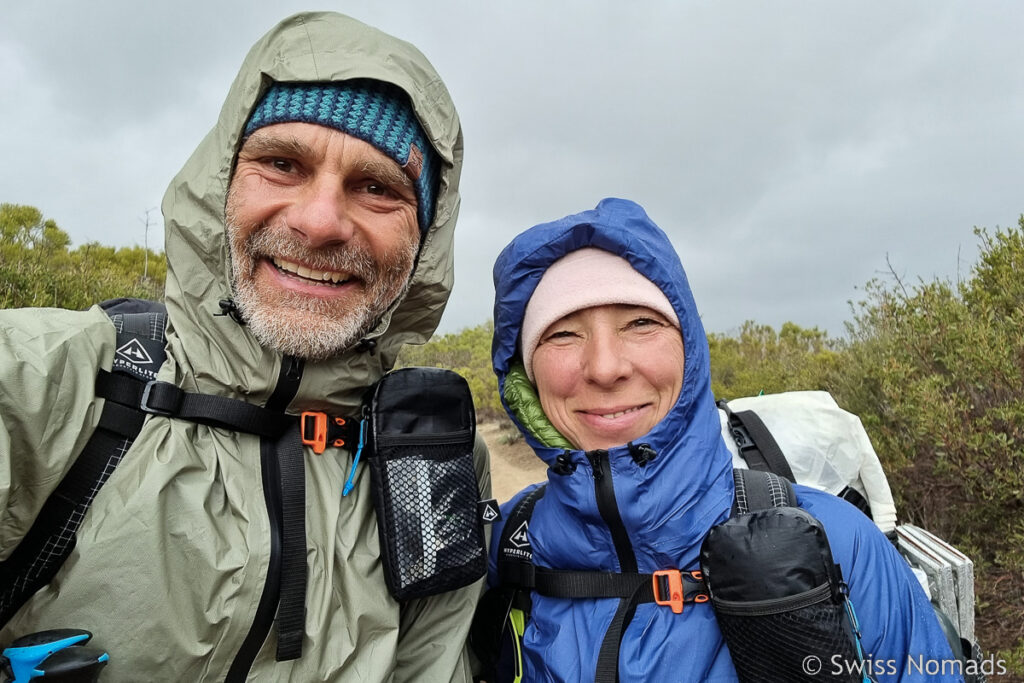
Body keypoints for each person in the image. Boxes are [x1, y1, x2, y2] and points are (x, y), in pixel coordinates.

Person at [0, 12, 489, 681]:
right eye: (283, 164)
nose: (319, 221)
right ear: (221, 180)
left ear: (424, 239)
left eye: (378, 187)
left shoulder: (431, 460)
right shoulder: (42, 380)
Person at [485, 198, 960, 681]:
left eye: (641, 323)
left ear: (689, 352)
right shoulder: (504, 546)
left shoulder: (838, 543)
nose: (605, 367)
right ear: (526, 377)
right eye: (563, 334)